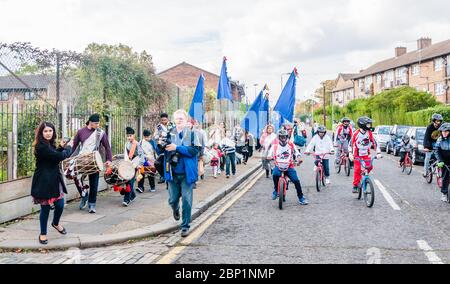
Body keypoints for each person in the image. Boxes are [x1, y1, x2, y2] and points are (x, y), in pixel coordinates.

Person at [31, 122, 73, 245]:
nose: (48, 133)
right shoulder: (41, 146)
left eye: (50, 131)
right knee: (45, 208)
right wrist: (69, 148)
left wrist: (60, 147)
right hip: (44, 181)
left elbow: (54, 155)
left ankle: (55, 223)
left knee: (60, 204)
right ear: (41, 133)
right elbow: (59, 156)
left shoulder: (49, 144)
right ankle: (43, 233)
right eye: (45, 131)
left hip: (54, 179)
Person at [164, 109, 201, 237]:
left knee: (186, 199)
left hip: (186, 173)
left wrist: (177, 148)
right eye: (177, 118)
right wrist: (159, 144)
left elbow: (194, 151)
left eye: (181, 118)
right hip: (172, 172)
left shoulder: (192, 134)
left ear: (186, 121)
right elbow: (162, 151)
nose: (179, 120)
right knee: (172, 200)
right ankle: (175, 209)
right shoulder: (169, 133)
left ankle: (185, 226)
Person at [72, 114, 112, 214]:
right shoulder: (81, 132)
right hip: (81, 160)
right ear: (90, 122)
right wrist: (68, 157)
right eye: (96, 123)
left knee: (94, 183)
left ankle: (92, 204)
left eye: (98, 123)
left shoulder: (100, 133)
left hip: (95, 160)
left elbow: (107, 147)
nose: (98, 125)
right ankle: (84, 194)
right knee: (76, 177)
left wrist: (109, 159)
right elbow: (74, 146)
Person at [268, 129, 308, 205]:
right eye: (281, 137)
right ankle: (276, 190)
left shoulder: (291, 144)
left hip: (289, 166)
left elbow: (297, 153)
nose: (283, 138)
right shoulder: (275, 146)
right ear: (278, 137)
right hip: (278, 165)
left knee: (296, 181)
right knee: (275, 175)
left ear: (287, 137)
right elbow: (270, 154)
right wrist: (269, 157)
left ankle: (301, 198)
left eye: (284, 137)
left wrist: (299, 158)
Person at [349, 116, 381, 193]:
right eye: (368, 124)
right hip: (357, 154)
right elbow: (350, 144)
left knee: (370, 166)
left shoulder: (369, 133)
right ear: (362, 125)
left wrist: (378, 152)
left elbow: (375, 143)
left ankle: (363, 174)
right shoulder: (356, 134)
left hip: (366, 154)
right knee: (357, 169)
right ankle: (355, 185)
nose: (369, 126)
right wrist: (350, 154)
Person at [122, 127, 144, 207]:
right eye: (128, 136)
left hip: (135, 164)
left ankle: (126, 199)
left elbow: (141, 155)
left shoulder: (137, 144)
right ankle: (133, 195)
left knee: (130, 182)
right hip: (128, 164)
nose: (129, 137)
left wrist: (140, 164)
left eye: (130, 135)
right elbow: (126, 155)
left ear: (133, 135)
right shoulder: (126, 144)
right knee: (128, 181)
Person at [154, 113, 175, 184]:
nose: (163, 121)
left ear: (167, 119)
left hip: (171, 146)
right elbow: (155, 136)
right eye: (162, 120)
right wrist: (159, 137)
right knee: (158, 163)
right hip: (162, 147)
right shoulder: (158, 127)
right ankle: (163, 175)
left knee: (170, 162)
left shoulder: (172, 125)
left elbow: (175, 134)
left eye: (165, 120)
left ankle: (171, 176)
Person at [435, 123, 450, 202]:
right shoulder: (439, 140)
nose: (444, 133)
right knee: (445, 176)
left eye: (446, 131)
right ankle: (444, 194)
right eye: (443, 131)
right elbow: (437, 151)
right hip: (444, 161)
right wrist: (440, 161)